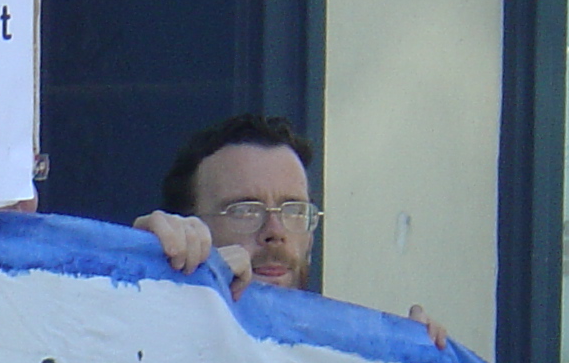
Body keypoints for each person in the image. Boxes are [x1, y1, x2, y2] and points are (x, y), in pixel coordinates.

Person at [131, 111, 448, 341]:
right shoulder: (144, 327)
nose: (275, 231)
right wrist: (148, 274)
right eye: (245, 210)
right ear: (190, 225)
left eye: (294, 210)